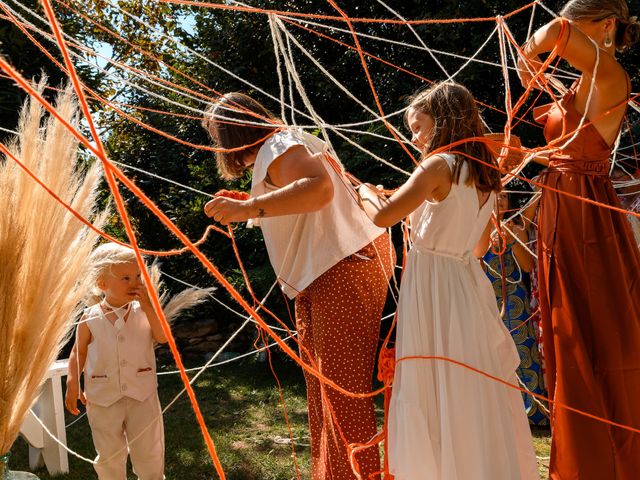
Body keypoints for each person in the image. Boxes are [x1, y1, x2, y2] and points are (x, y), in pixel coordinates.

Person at [202, 93, 393, 480]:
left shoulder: (278, 143)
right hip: (335, 270)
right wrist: (248, 202)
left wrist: (246, 209)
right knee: (329, 395)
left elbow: (319, 189)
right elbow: (301, 198)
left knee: (342, 399)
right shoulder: (281, 145)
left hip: (341, 269)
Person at [359, 81, 539, 480]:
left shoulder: (438, 165)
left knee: (434, 380)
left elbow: (381, 216)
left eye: (418, 126)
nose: (414, 136)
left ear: (442, 122)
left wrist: (366, 192)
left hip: (434, 286)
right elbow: (476, 250)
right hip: (465, 283)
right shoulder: (484, 175)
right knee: (465, 380)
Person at [517, 1, 640, 477]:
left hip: (586, 220)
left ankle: (608, 461)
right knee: (566, 338)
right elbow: (564, 157)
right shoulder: (582, 82)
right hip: (561, 208)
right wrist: (525, 164)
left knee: (593, 335)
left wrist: (529, 55)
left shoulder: (609, 74)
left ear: (606, 25)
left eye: (582, 28)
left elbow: (553, 29)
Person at [65, 243, 167, 480]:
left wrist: (150, 307)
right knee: (109, 454)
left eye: (138, 276)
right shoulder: (90, 317)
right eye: (126, 278)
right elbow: (77, 352)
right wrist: (73, 382)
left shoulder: (145, 311)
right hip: (103, 398)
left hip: (142, 395)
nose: (135, 282)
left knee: (149, 452)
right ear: (102, 284)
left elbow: (162, 337)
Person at [482, 192, 548, 426]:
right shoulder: (475, 227)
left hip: (513, 300)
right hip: (484, 300)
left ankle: (534, 414)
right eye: (495, 197)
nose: (499, 201)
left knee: (522, 352)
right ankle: (498, 414)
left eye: (504, 198)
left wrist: (511, 241)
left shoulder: (515, 227)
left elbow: (528, 266)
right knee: (488, 356)